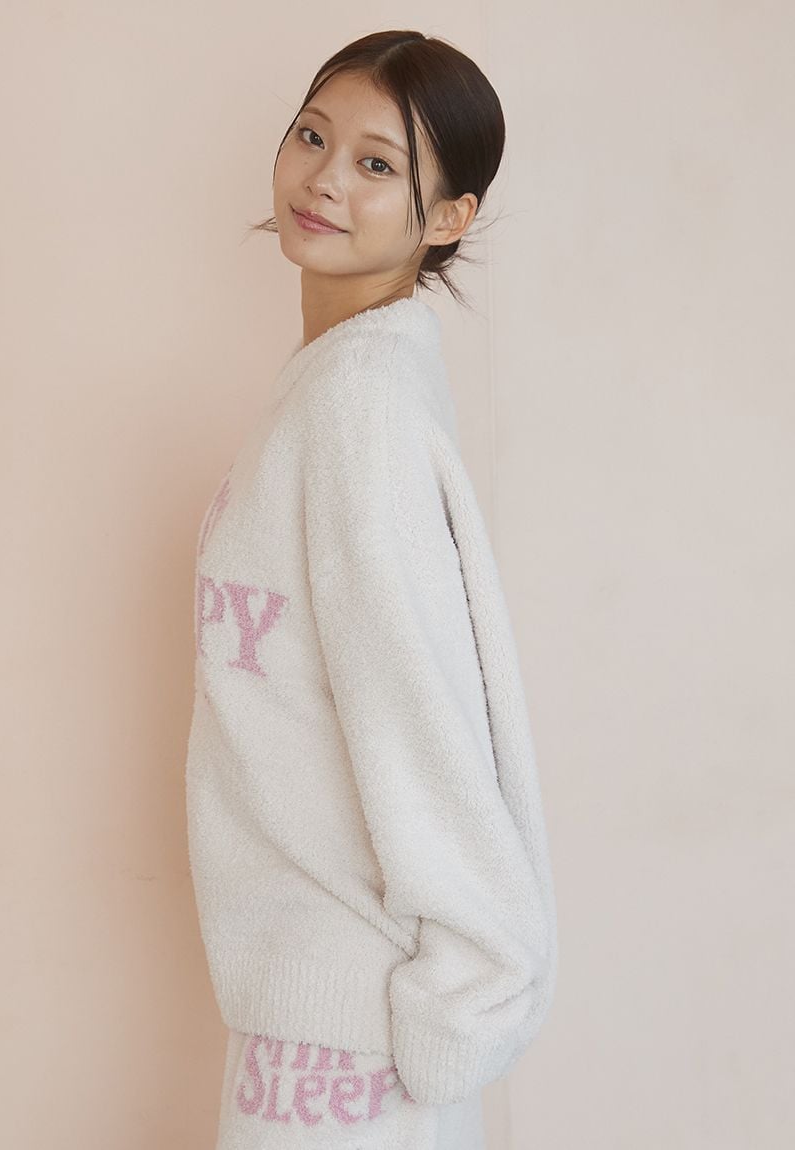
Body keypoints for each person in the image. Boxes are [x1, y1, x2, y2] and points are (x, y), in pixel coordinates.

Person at [185, 28, 558, 1150]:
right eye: (311, 136)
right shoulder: (340, 384)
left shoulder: (359, 410)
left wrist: (464, 994)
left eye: (377, 164)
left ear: (449, 217)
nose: (324, 179)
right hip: (311, 1015)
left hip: (355, 1040)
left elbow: (422, 716)